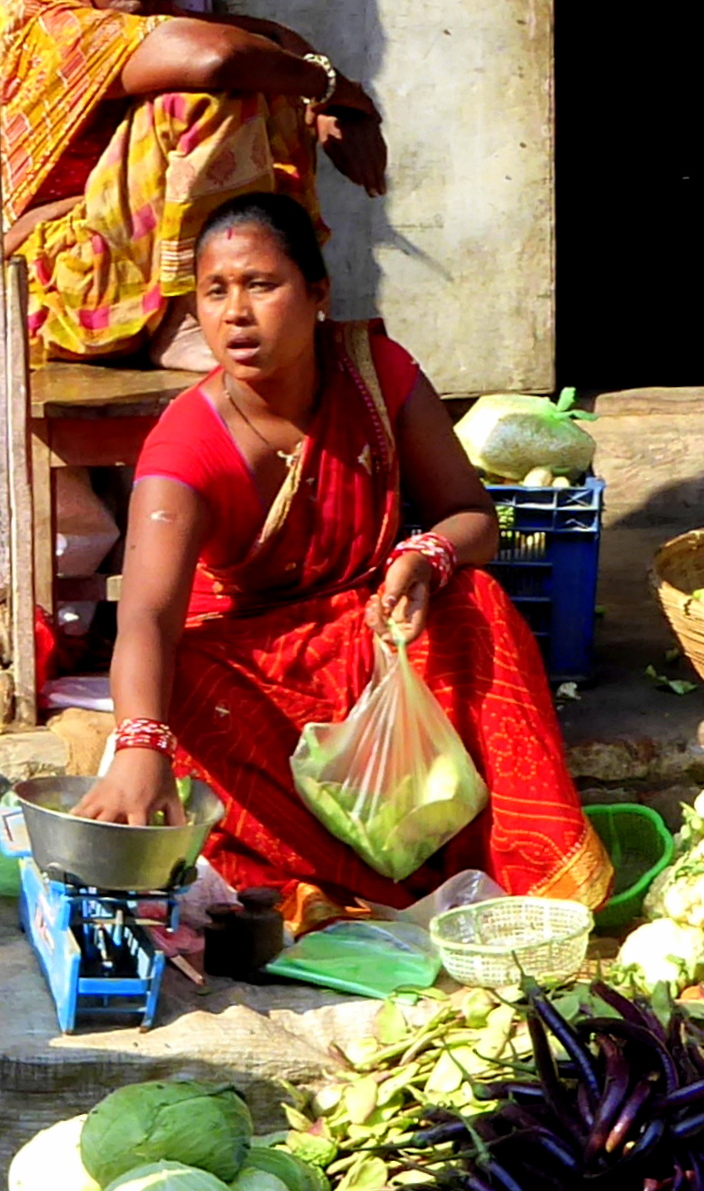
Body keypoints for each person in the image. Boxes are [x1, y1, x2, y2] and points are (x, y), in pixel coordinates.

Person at [77, 191, 611, 930]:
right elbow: (144, 615)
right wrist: (140, 744)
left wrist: (427, 555)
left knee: (477, 605)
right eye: (215, 292)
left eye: (262, 285)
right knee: (186, 697)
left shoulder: (375, 373)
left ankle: (523, 871)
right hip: (253, 667)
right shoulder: (188, 445)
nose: (236, 314)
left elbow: (472, 516)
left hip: (368, 629)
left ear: (318, 292)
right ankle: (330, 886)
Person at [1, 0, 386, 369]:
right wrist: (337, 90)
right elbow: (218, 58)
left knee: (268, 77)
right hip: (56, 295)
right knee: (208, 96)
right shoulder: (53, 33)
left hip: (109, 268)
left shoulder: (144, 28)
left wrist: (323, 104)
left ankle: (259, 300)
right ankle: (190, 314)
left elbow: (270, 39)